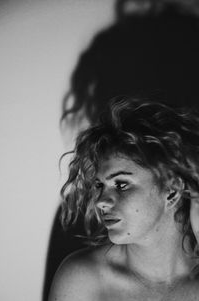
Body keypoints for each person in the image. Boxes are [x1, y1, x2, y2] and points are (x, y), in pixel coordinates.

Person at [48, 96, 199, 301]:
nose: (100, 201)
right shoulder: (84, 280)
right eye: (100, 185)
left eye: (121, 185)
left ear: (172, 189)